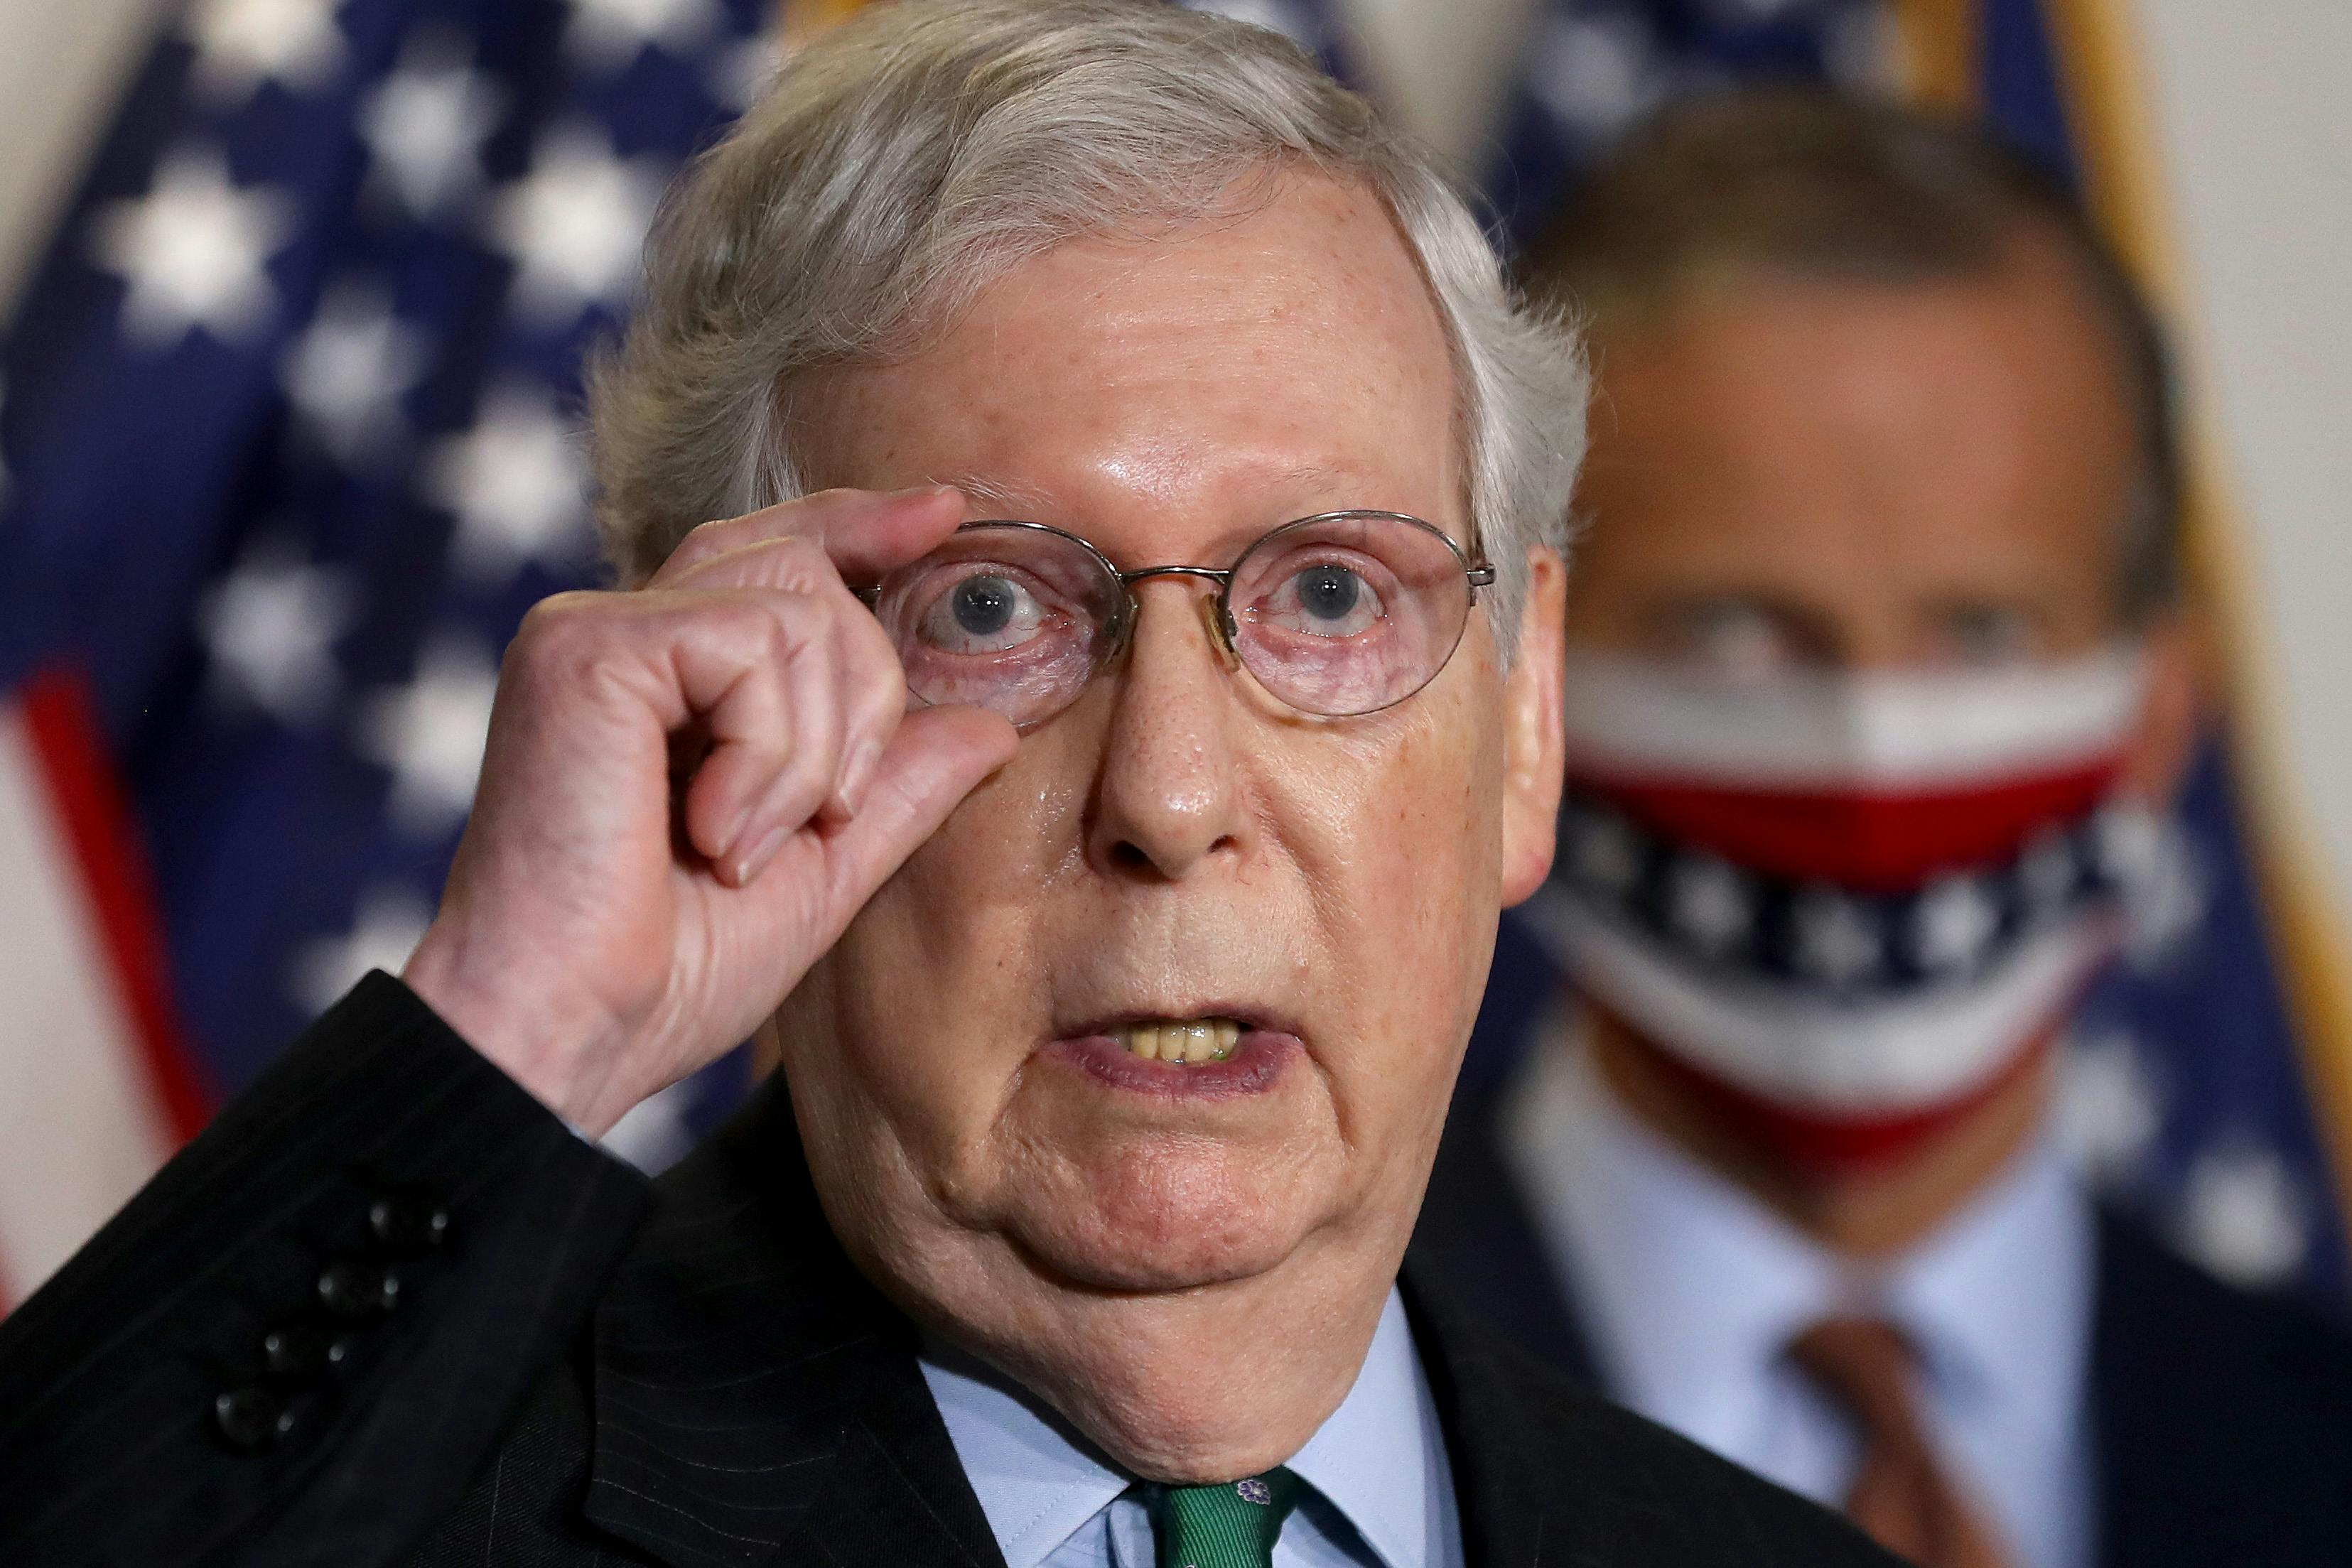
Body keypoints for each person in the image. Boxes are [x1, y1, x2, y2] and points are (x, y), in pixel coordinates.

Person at [0, 8, 1901, 1567]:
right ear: (724, 700)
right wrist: (516, 1030)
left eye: (1326, 594)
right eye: (992, 608)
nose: (1165, 794)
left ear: (1527, 717)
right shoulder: (407, 1524)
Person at [1411, 91, 2352, 1568]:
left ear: (2161, 712)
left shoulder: (2315, 1454)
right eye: (1731, 635)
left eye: (1979, 634)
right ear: (1520, 681)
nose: (1868, 753)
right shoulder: (1268, 1426)